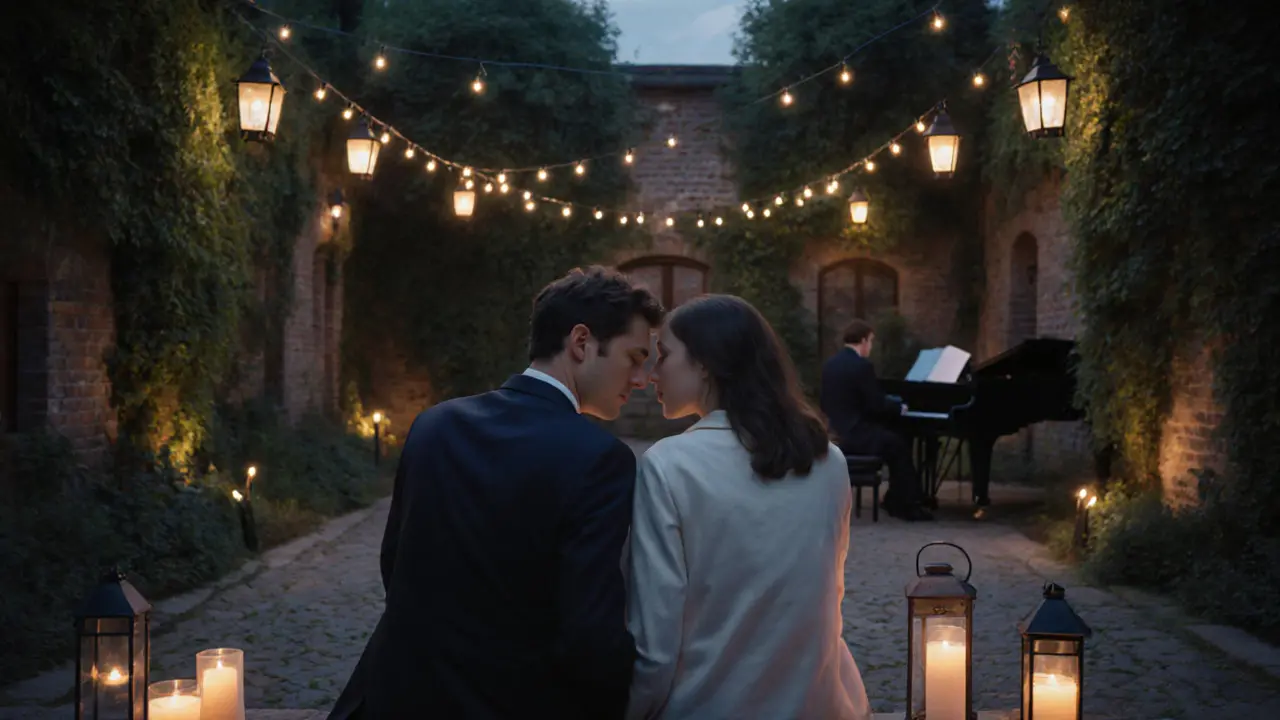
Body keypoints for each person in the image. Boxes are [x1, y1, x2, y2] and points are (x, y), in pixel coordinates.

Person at [328, 266, 664, 720]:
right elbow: (589, 634)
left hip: (400, 697)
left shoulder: (435, 425)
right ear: (581, 343)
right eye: (634, 356)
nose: (641, 378)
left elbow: (398, 566)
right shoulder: (600, 459)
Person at [625, 294, 872, 720]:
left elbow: (655, 642)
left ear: (704, 363)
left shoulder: (668, 466)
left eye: (663, 355)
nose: (651, 374)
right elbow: (825, 601)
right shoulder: (828, 462)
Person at [819, 319, 933, 521]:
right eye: (870, 341)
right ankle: (905, 505)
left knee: (894, 438)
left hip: (838, 433)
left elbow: (827, 402)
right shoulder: (862, 366)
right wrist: (899, 407)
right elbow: (876, 404)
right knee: (898, 445)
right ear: (863, 340)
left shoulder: (830, 365)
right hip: (857, 436)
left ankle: (896, 498)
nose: (870, 346)